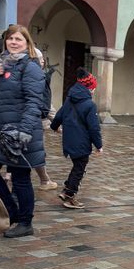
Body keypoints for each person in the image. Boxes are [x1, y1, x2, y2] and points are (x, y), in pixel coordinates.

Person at [0, 24, 46, 238]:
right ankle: (12, 211)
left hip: (19, 132)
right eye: (10, 39)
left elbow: (34, 101)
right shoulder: (1, 65)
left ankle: (25, 223)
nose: (14, 42)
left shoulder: (31, 67)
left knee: (20, 178)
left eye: (19, 39)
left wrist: (24, 131)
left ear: (27, 43)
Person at [51, 67, 103, 209]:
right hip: (82, 143)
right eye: (93, 88)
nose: (93, 91)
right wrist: (99, 145)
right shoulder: (90, 105)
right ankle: (69, 195)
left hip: (68, 141)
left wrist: (54, 127)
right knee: (79, 168)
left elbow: (59, 115)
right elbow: (94, 128)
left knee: (77, 166)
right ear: (89, 88)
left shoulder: (70, 99)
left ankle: (66, 190)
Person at [32, 48, 57, 191]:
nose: (43, 61)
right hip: (33, 121)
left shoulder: (41, 76)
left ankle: (44, 179)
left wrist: (56, 121)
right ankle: (44, 180)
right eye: (41, 59)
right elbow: (42, 103)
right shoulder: (37, 77)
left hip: (37, 119)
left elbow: (47, 103)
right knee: (36, 151)